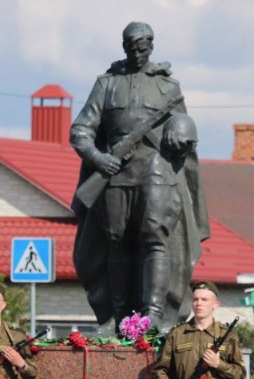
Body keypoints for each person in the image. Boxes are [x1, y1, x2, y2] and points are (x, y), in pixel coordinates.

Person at [70, 21, 209, 330]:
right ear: (124, 47)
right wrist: (98, 158)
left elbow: (186, 133)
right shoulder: (107, 84)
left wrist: (183, 134)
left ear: (151, 47)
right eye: (132, 48)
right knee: (116, 242)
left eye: (143, 48)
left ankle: (153, 316)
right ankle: (120, 317)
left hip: (157, 172)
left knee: (155, 239)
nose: (137, 54)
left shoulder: (167, 87)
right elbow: (81, 130)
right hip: (115, 175)